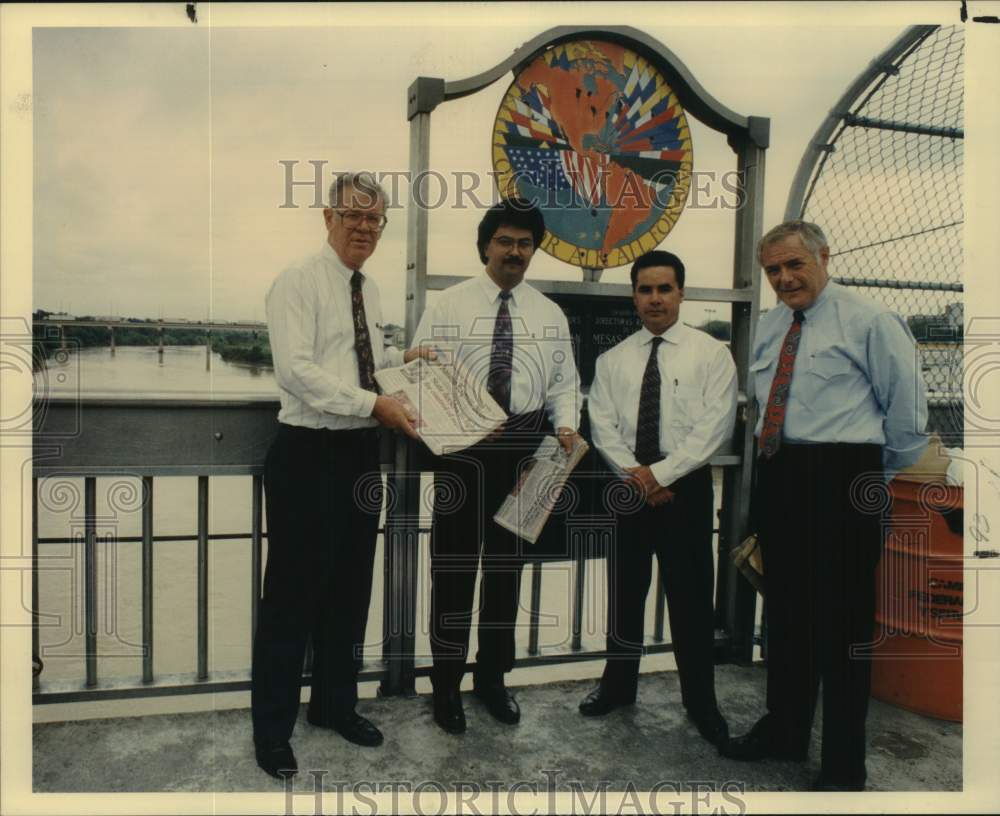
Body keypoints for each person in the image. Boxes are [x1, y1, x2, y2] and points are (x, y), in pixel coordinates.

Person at [720, 220, 928, 791]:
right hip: (781, 478)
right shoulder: (769, 328)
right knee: (785, 619)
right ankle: (784, 732)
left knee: (842, 630)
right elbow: (763, 407)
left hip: (845, 482)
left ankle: (843, 765)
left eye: (794, 265)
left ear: (823, 257)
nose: (784, 279)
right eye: (773, 271)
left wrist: (860, 480)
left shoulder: (870, 322)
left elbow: (908, 420)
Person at [251, 172, 433, 779]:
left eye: (376, 219)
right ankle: (272, 731)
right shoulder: (296, 282)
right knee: (291, 599)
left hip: (359, 455)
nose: (365, 228)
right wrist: (374, 405)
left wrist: (401, 361)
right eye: (354, 216)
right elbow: (296, 371)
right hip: (307, 454)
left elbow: (362, 359)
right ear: (327, 217)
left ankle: (335, 706)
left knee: (352, 588)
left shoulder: (370, 290)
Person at [412, 198, 582, 734]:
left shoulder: (548, 314)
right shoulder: (450, 304)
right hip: (464, 454)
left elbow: (564, 385)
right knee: (453, 572)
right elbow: (419, 364)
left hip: (530, 454)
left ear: (534, 249)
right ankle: (445, 687)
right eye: (505, 241)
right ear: (486, 245)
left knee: (506, 576)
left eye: (525, 243)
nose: (515, 252)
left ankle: (492, 680)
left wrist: (566, 427)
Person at [577, 250, 736, 750]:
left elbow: (716, 426)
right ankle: (618, 686)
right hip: (628, 488)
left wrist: (662, 475)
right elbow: (602, 426)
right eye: (645, 290)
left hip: (683, 488)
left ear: (681, 293)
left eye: (664, 289)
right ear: (633, 295)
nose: (654, 299)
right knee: (625, 592)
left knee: (689, 600)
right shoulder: (613, 359)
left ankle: (701, 701)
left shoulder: (712, 354)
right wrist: (640, 478)